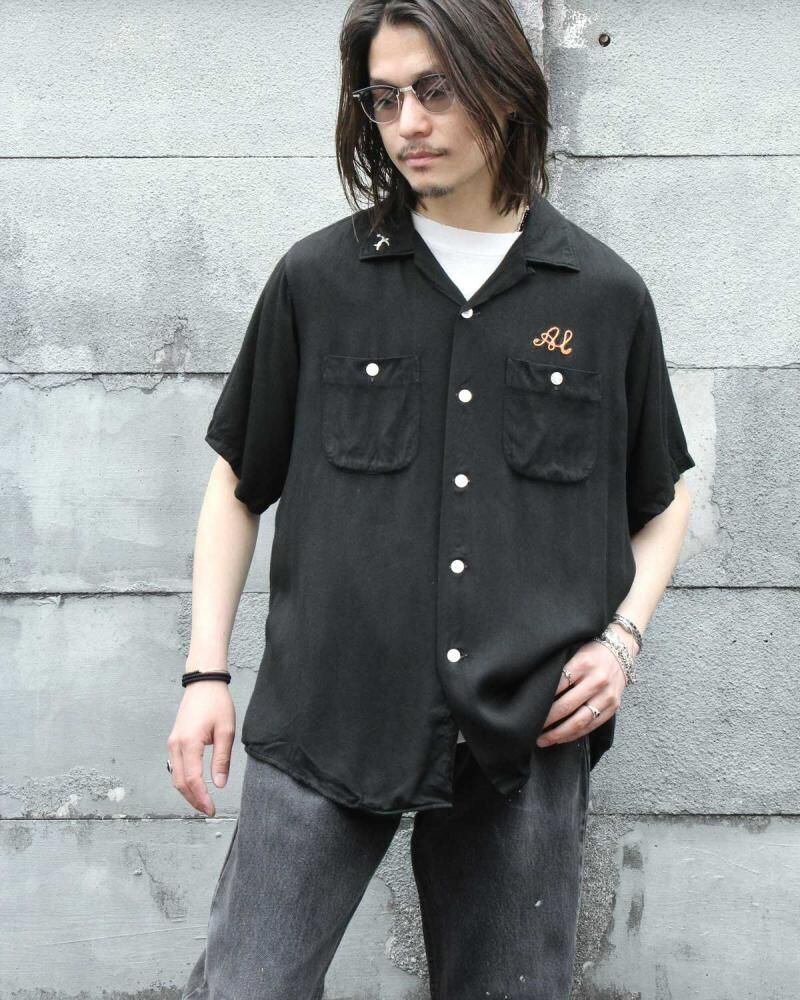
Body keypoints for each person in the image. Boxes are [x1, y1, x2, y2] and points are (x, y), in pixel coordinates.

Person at [169, 1, 695, 997]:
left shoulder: (602, 296)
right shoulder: (317, 281)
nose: (407, 121)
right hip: (325, 707)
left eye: (435, 90)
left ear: (503, 88)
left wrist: (620, 641)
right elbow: (237, 482)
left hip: (524, 726)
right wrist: (205, 675)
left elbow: (662, 497)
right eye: (383, 98)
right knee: (248, 983)